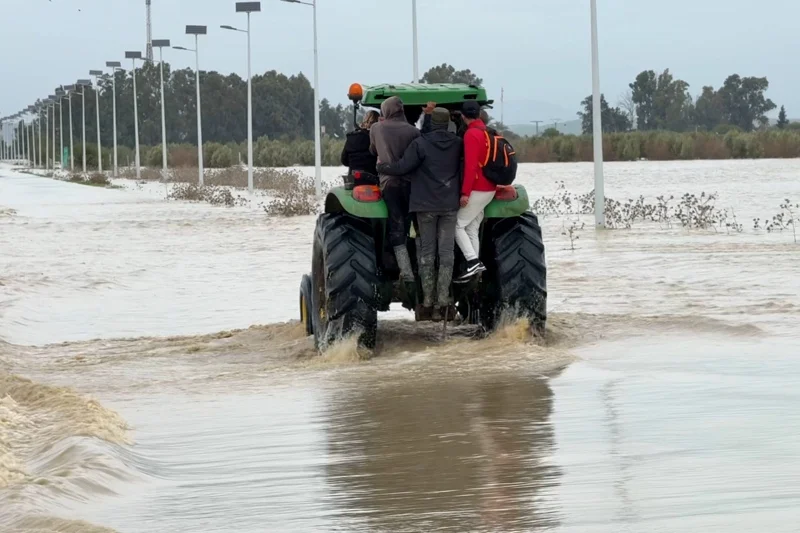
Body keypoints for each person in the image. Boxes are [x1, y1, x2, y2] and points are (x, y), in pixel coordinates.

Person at [377, 108, 462, 320]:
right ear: (449, 123)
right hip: (450, 205)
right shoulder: (459, 143)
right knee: (446, 253)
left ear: (431, 123)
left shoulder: (420, 144)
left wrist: (383, 167)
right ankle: (443, 302)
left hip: (425, 206)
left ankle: (427, 302)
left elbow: (403, 167)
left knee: (427, 254)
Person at [369, 96, 421, 283]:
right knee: (417, 226)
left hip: (389, 184)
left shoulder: (376, 129)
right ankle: (422, 269)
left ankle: (405, 272)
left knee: (396, 226)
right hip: (412, 185)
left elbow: (373, 151)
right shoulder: (414, 132)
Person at [455, 100, 497, 281]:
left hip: (478, 189)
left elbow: (471, 166)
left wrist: (465, 193)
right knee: (471, 227)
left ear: (462, 116)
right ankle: (475, 270)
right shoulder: (488, 132)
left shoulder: (471, 134)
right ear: (479, 114)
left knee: (457, 225)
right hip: (490, 189)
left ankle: (472, 262)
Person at [340, 110, 379, 176]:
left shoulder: (351, 137)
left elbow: (344, 160)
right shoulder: (376, 138)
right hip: (372, 177)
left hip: (353, 178)